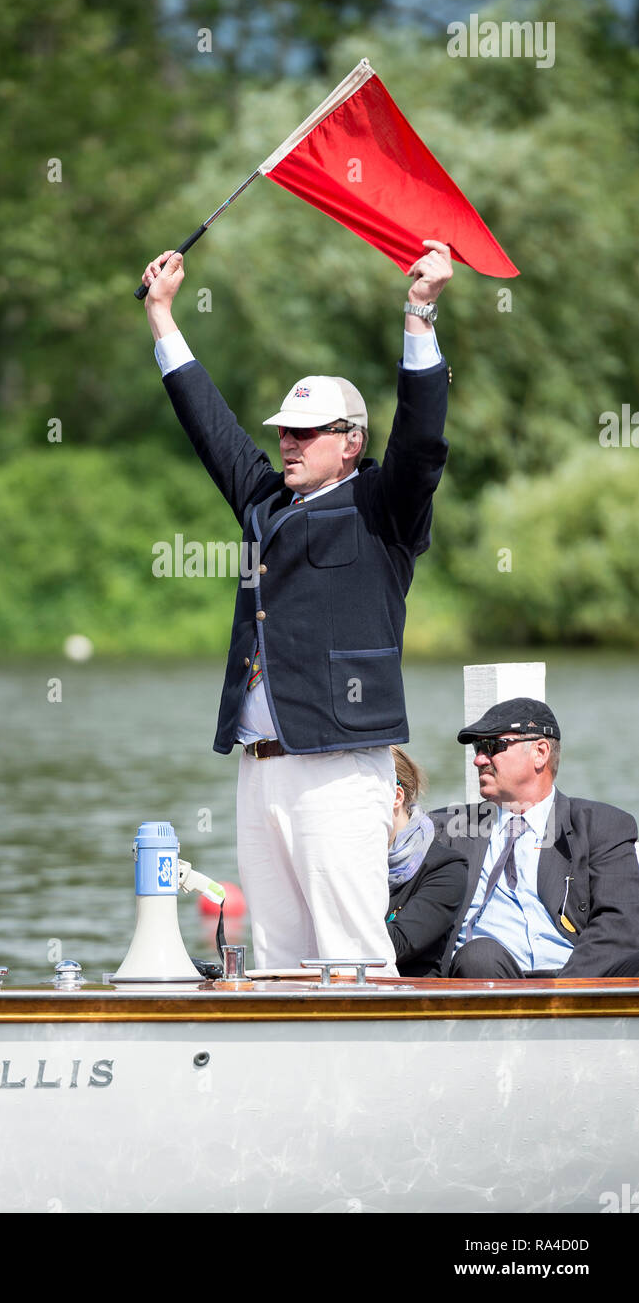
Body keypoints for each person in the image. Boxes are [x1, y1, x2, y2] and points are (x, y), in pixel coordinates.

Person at [140, 241, 453, 974]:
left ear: (349, 443)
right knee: (279, 959)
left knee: (351, 958)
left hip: (340, 766)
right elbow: (208, 424)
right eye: (282, 430)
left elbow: (422, 435)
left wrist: (418, 312)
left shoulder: (384, 506)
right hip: (260, 768)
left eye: (304, 433)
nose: (286, 441)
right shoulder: (264, 501)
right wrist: (161, 315)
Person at [430, 697, 639, 978]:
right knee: (479, 955)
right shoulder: (444, 828)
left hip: (572, 981)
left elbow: (619, 925)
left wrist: (558, 996)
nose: (479, 759)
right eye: (478, 749)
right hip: (485, 976)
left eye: (493, 747)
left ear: (540, 752)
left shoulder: (603, 826)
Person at [386, 746, 468, 977]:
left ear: (395, 796)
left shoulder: (446, 868)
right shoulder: (339, 857)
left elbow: (399, 944)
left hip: (410, 997)